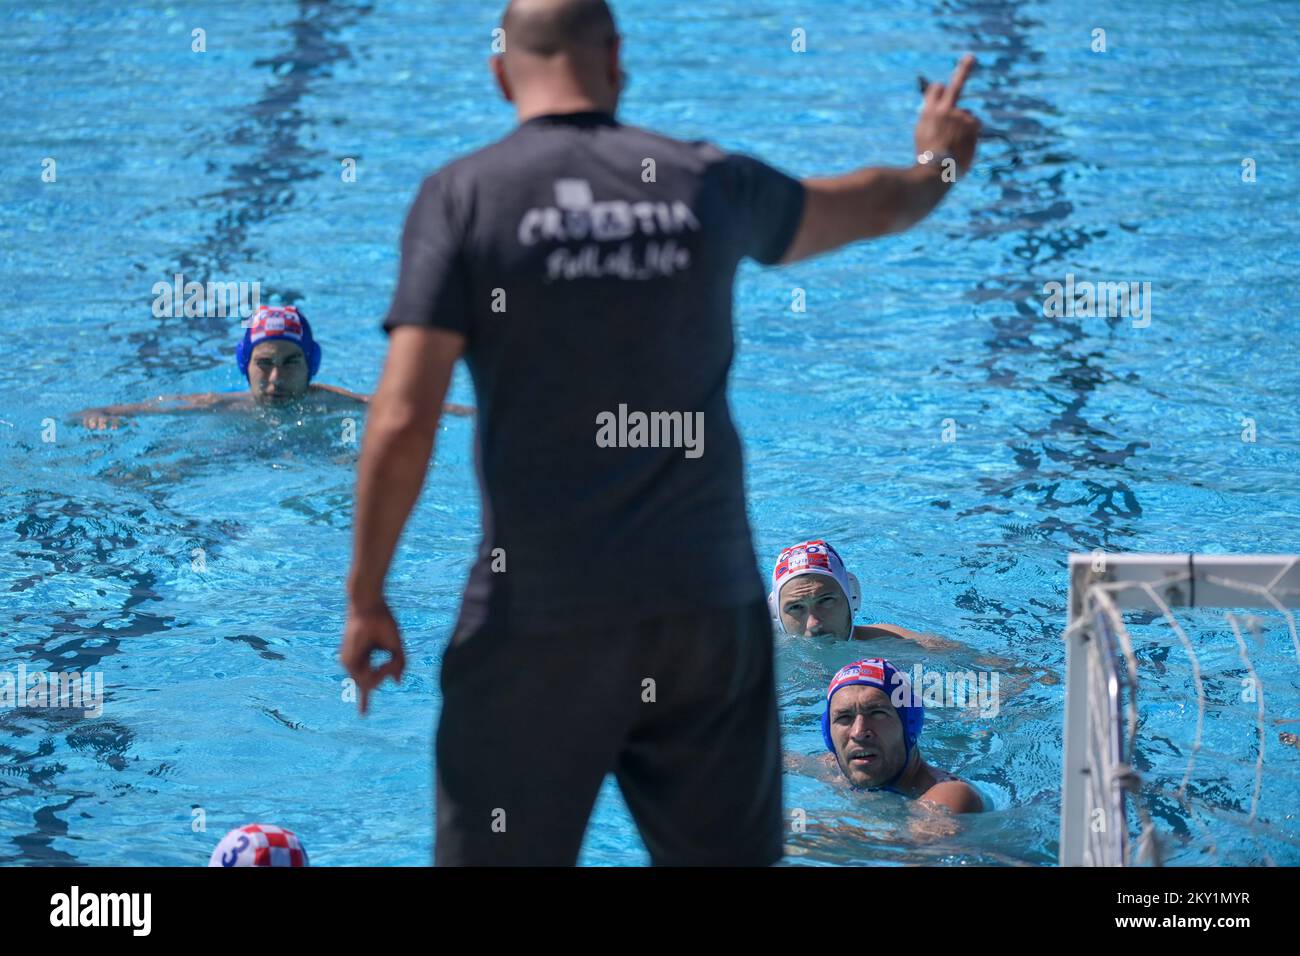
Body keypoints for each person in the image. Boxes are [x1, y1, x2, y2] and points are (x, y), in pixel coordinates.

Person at [340, 0, 980, 866]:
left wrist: (368, 594)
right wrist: (937, 156)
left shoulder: (464, 196)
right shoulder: (704, 181)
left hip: (536, 622)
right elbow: (877, 205)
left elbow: (406, 416)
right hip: (705, 622)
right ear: (616, 60)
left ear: (500, 74)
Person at [76, 304, 472, 428]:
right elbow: (108, 411)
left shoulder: (330, 403)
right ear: (245, 366)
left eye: (291, 362)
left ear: (311, 364)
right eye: (264, 364)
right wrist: (97, 414)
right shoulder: (220, 404)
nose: (277, 378)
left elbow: (406, 408)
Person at [821, 658, 982, 813]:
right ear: (828, 734)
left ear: (910, 724)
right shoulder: (833, 769)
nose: (858, 732)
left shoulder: (950, 795)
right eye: (844, 717)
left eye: (877, 713)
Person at [769, 539, 956, 646]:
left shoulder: (892, 643)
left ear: (851, 597)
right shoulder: (761, 660)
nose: (814, 623)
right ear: (775, 613)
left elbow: (976, 662)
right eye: (795, 607)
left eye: (826, 600)